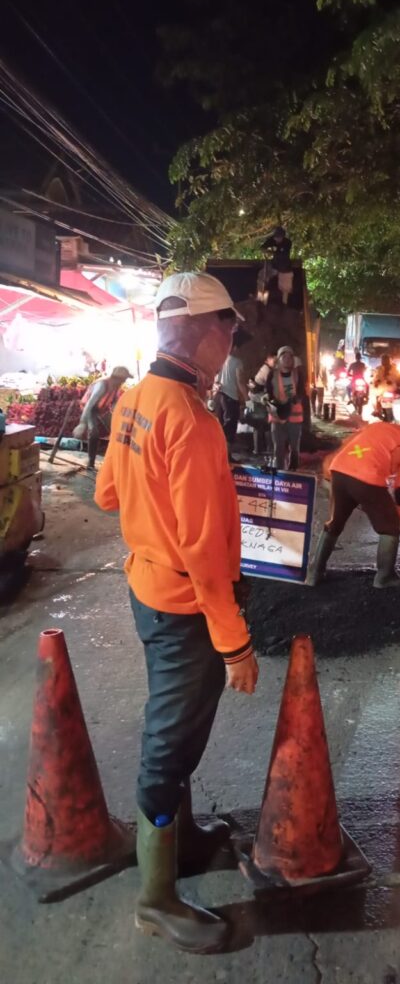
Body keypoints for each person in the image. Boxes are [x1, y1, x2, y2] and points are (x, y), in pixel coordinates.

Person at [94, 272, 258, 954]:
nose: (231, 339)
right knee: (169, 743)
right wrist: (235, 644)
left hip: (146, 589)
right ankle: (154, 899)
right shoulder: (191, 419)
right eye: (227, 327)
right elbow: (203, 551)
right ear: (194, 330)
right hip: (184, 607)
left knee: (179, 728)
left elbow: (107, 493)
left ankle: (184, 842)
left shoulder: (136, 397)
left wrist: (149, 508)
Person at [307, 412, 400, 588]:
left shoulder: (378, 426)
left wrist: (329, 475)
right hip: (367, 478)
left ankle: (314, 573)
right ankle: (384, 577)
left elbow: (346, 444)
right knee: (390, 527)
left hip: (339, 471)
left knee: (335, 522)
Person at [76, 365, 131, 470]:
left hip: (102, 409)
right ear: (116, 378)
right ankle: (91, 464)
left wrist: (119, 416)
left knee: (118, 429)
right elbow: (90, 404)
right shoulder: (102, 385)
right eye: (123, 379)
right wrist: (82, 423)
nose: (123, 382)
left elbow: (115, 403)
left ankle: (116, 460)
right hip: (90, 409)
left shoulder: (116, 386)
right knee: (94, 433)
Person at [266, 345, 306, 470]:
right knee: (278, 448)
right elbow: (268, 392)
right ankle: (279, 474)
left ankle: (293, 472)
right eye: (284, 356)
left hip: (294, 418)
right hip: (277, 418)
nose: (287, 359)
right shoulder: (272, 374)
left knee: (294, 448)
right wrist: (270, 402)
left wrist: (296, 399)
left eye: (290, 356)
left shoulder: (297, 374)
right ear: (279, 359)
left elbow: (301, 392)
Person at [215, 327, 249, 456]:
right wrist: (247, 399)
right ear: (235, 347)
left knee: (220, 427)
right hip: (230, 398)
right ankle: (226, 458)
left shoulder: (220, 359)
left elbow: (214, 378)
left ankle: (219, 456)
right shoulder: (237, 362)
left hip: (218, 397)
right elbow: (240, 382)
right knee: (229, 430)